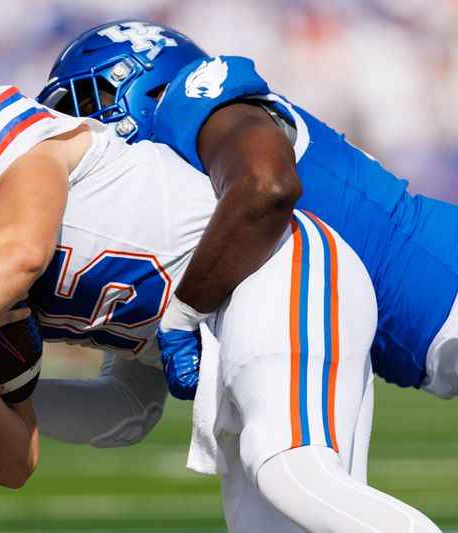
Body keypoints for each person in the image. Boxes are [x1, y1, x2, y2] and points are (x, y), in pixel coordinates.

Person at [0, 47, 439, 532]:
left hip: (273, 264)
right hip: (222, 326)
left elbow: (22, 248)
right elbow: (18, 458)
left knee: (291, 470)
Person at [37, 20, 458, 401]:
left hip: (442, 284)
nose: (82, 126)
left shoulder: (197, 103)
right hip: (428, 320)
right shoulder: (178, 201)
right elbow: (127, 405)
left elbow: (267, 186)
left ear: (147, 85)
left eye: (89, 101)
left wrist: (184, 315)